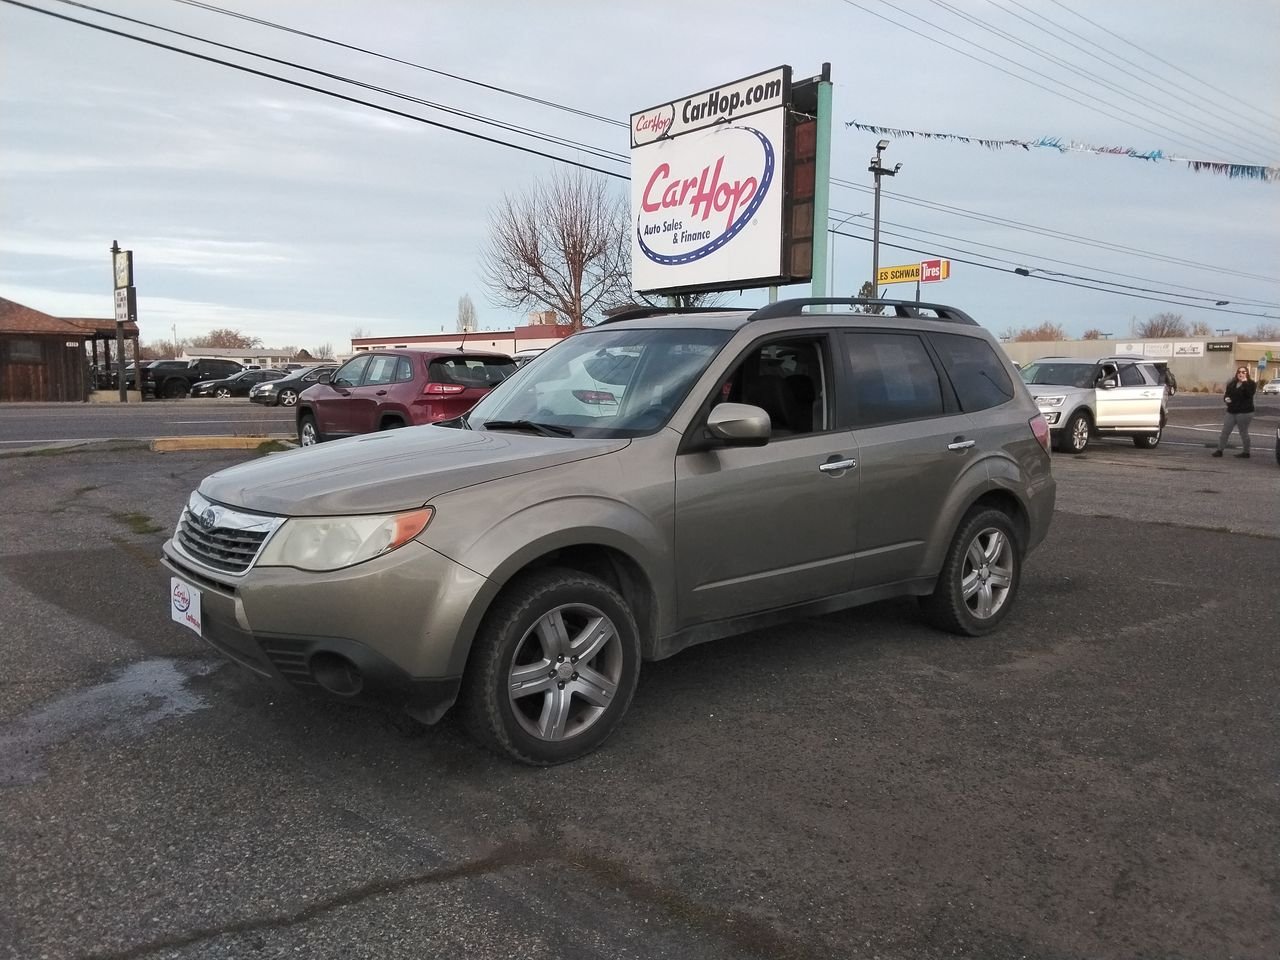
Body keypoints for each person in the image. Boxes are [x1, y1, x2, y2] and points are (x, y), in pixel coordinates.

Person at [1212, 366, 1256, 458]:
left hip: (1244, 412)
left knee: (1243, 432)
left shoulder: (1251, 384)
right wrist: (1226, 399)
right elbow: (1227, 394)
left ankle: (1246, 452)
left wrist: (1244, 382)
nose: (1241, 374)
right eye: (1239, 372)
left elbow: (1249, 394)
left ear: (1247, 373)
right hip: (1231, 411)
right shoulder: (1232, 383)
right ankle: (1219, 450)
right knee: (1225, 431)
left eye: (1243, 372)